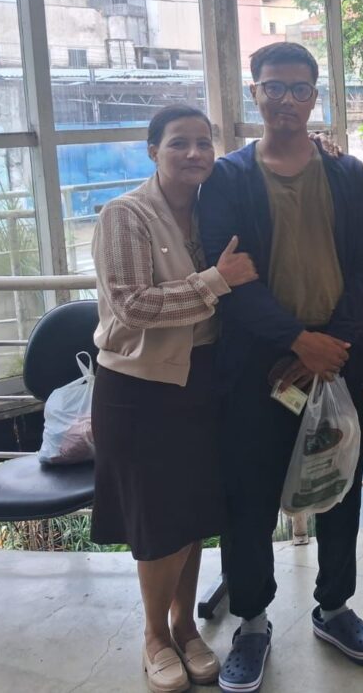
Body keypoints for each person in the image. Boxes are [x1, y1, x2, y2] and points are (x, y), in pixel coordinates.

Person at [197, 42, 363, 692]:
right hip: (260, 368)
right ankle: (252, 623)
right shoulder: (229, 179)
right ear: (254, 92)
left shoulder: (347, 173)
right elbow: (230, 276)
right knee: (248, 496)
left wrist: (332, 342)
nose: (286, 99)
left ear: (315, 95)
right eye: (273, 87)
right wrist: (297, 341)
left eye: (299, 88)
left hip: (337, 362)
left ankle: (334, 609)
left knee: (337, 484)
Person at [91, 105, 258, 693]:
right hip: (141, 388)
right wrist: (216, 280)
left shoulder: (212, 209)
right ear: (152, 152)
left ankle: (185, 626)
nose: (194, 154)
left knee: (191, 514)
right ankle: (154, 636)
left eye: (203, 143)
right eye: (178, 143)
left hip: (202, 378)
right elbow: (133, 305)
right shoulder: (125, 214)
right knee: (158, 519)